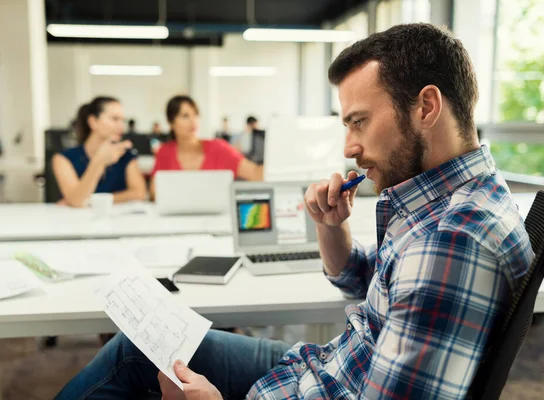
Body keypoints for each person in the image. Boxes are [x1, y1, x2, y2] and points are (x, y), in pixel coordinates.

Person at [54, 23, 534, 399]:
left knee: (139, 356)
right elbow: (380, 287)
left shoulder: (451, 242)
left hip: (322, 382)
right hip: (324, 367)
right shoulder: (449, 200)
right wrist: (331, 230)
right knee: (140, 348)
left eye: (359, 122)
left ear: (426, 106)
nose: (349, 147)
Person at [148, 95, 263, 199]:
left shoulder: (219, 148)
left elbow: (255, 173)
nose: (193, 121)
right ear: (171, 122)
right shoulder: (165, 152)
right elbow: (154, 193)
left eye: (196, 114)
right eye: (185, 116)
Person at [53, 96, 147, 207]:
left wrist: (92, 200)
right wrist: (99, 162)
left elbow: (139, 193)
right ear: (93, 122)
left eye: (123, 121)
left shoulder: (126, 154)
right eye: (114, 119)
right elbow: (77, 201)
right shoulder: (63, 159)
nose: (121, 126)